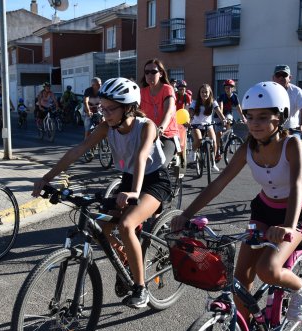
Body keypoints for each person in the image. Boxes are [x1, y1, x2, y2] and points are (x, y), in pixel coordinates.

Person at [172, 81, 302, 323]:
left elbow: (296, 185)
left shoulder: (291, 144)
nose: (254, 123)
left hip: (293, 211)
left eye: (263, 116)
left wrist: (289, 227)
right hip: (263, 209)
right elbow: (219, 183)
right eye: (249, 117)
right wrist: (186, 214)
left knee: (267, 270)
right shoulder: (248, 146)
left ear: (280, 117)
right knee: (240, 278)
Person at [32, 77, 171, 309]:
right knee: (102, 230)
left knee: (126, 224)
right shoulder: (106, 127)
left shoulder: (146, 126)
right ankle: (127, 257)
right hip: (130, 178)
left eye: (110, 108)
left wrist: (134, 192)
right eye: (101, 107)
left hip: (154, 180)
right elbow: (78, 150)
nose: (104, 113)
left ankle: (141, 289)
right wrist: (46, 178)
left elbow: (141, 156)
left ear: (129, 107)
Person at [139, 58, 181, 165]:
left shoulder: (167, 89)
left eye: (153, 72)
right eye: (147, 72)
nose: (149, 75)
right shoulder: (142, 92)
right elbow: (134, 112)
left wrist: (161, 128)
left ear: (161, 73)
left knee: (160, 165)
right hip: (148, 135)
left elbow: (169, 111)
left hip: (167, 135)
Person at [188, 83, 228, 172]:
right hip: (196, 125)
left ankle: (213, 163)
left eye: (206, 92)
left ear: (210, 93)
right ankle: (193, 152)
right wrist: (189, 118)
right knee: (198, 140)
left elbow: (219, 112)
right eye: (202, 92)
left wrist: (224, 120)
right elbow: (191, 111)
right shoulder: (194, 102)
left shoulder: (213, 102)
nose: (204, 94)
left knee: (214, 142)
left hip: (208, 125)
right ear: (199, 93)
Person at [272, 65, 302, 139]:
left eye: (284, 75)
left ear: (290, 78)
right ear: (273, 78)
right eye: (278, 75)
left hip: (291, 130)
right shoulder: (269, 90)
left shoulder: (296, 91)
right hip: (273, 130)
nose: (281, 77)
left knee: (295, 148)